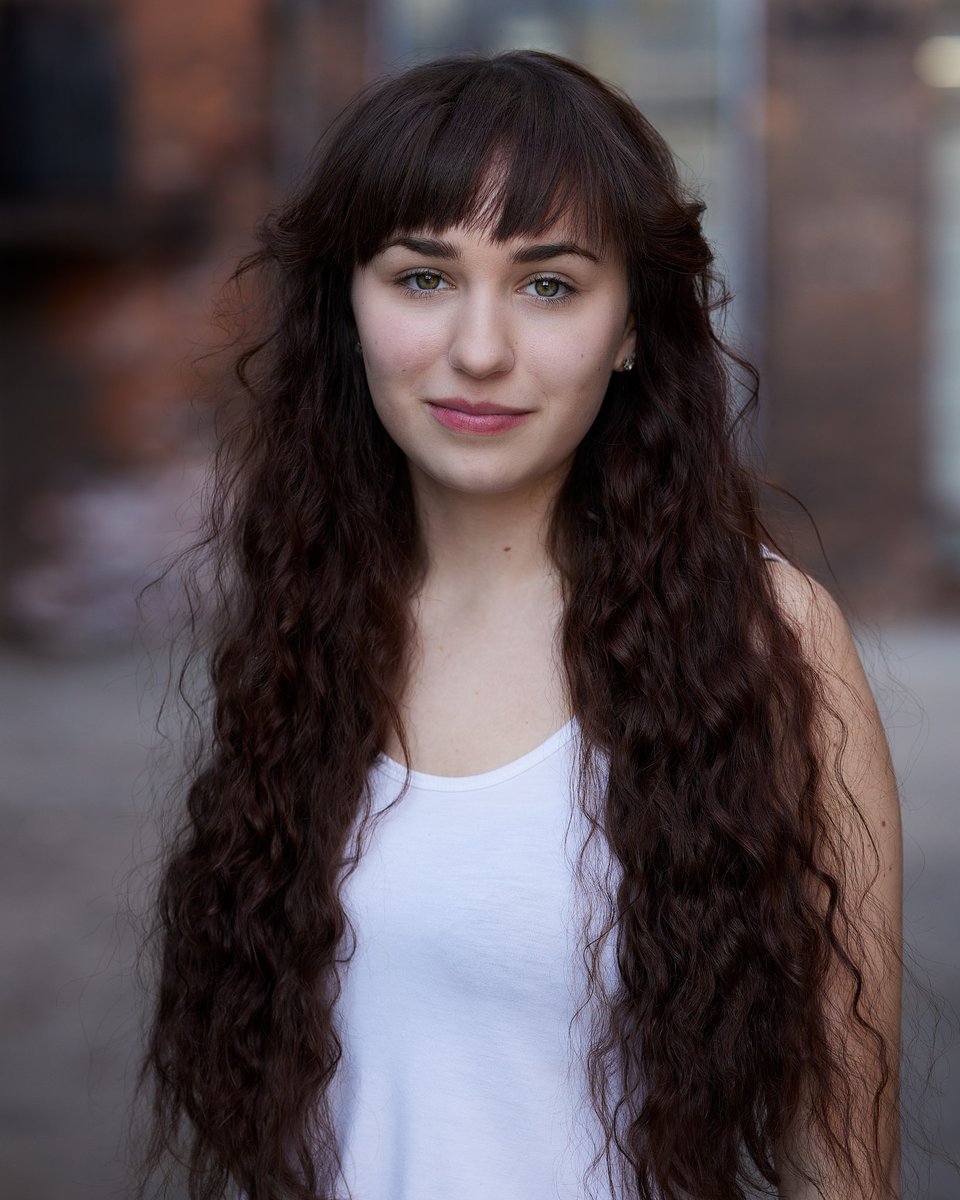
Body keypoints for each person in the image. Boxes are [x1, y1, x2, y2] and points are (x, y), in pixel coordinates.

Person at [137, 50, 903, 1200]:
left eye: (548, 284)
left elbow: (838, 1165)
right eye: (423, 277)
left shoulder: (766, 638)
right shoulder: (311, 622)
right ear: (350, 307)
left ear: (633, 327)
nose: (481, 349)